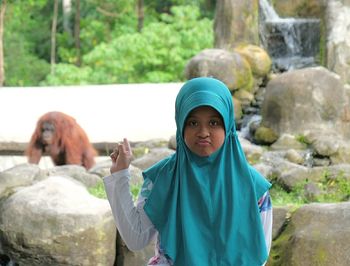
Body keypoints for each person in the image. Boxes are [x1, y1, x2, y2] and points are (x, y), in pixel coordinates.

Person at [103, 77, 273, 266]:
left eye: (214, 123)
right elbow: (136, 238)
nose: (203, 132)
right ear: (180, 125)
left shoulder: (254, 189)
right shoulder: (162, 180)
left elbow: (259, 255)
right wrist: (120, 176)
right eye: (192, 123)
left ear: (228, 126)